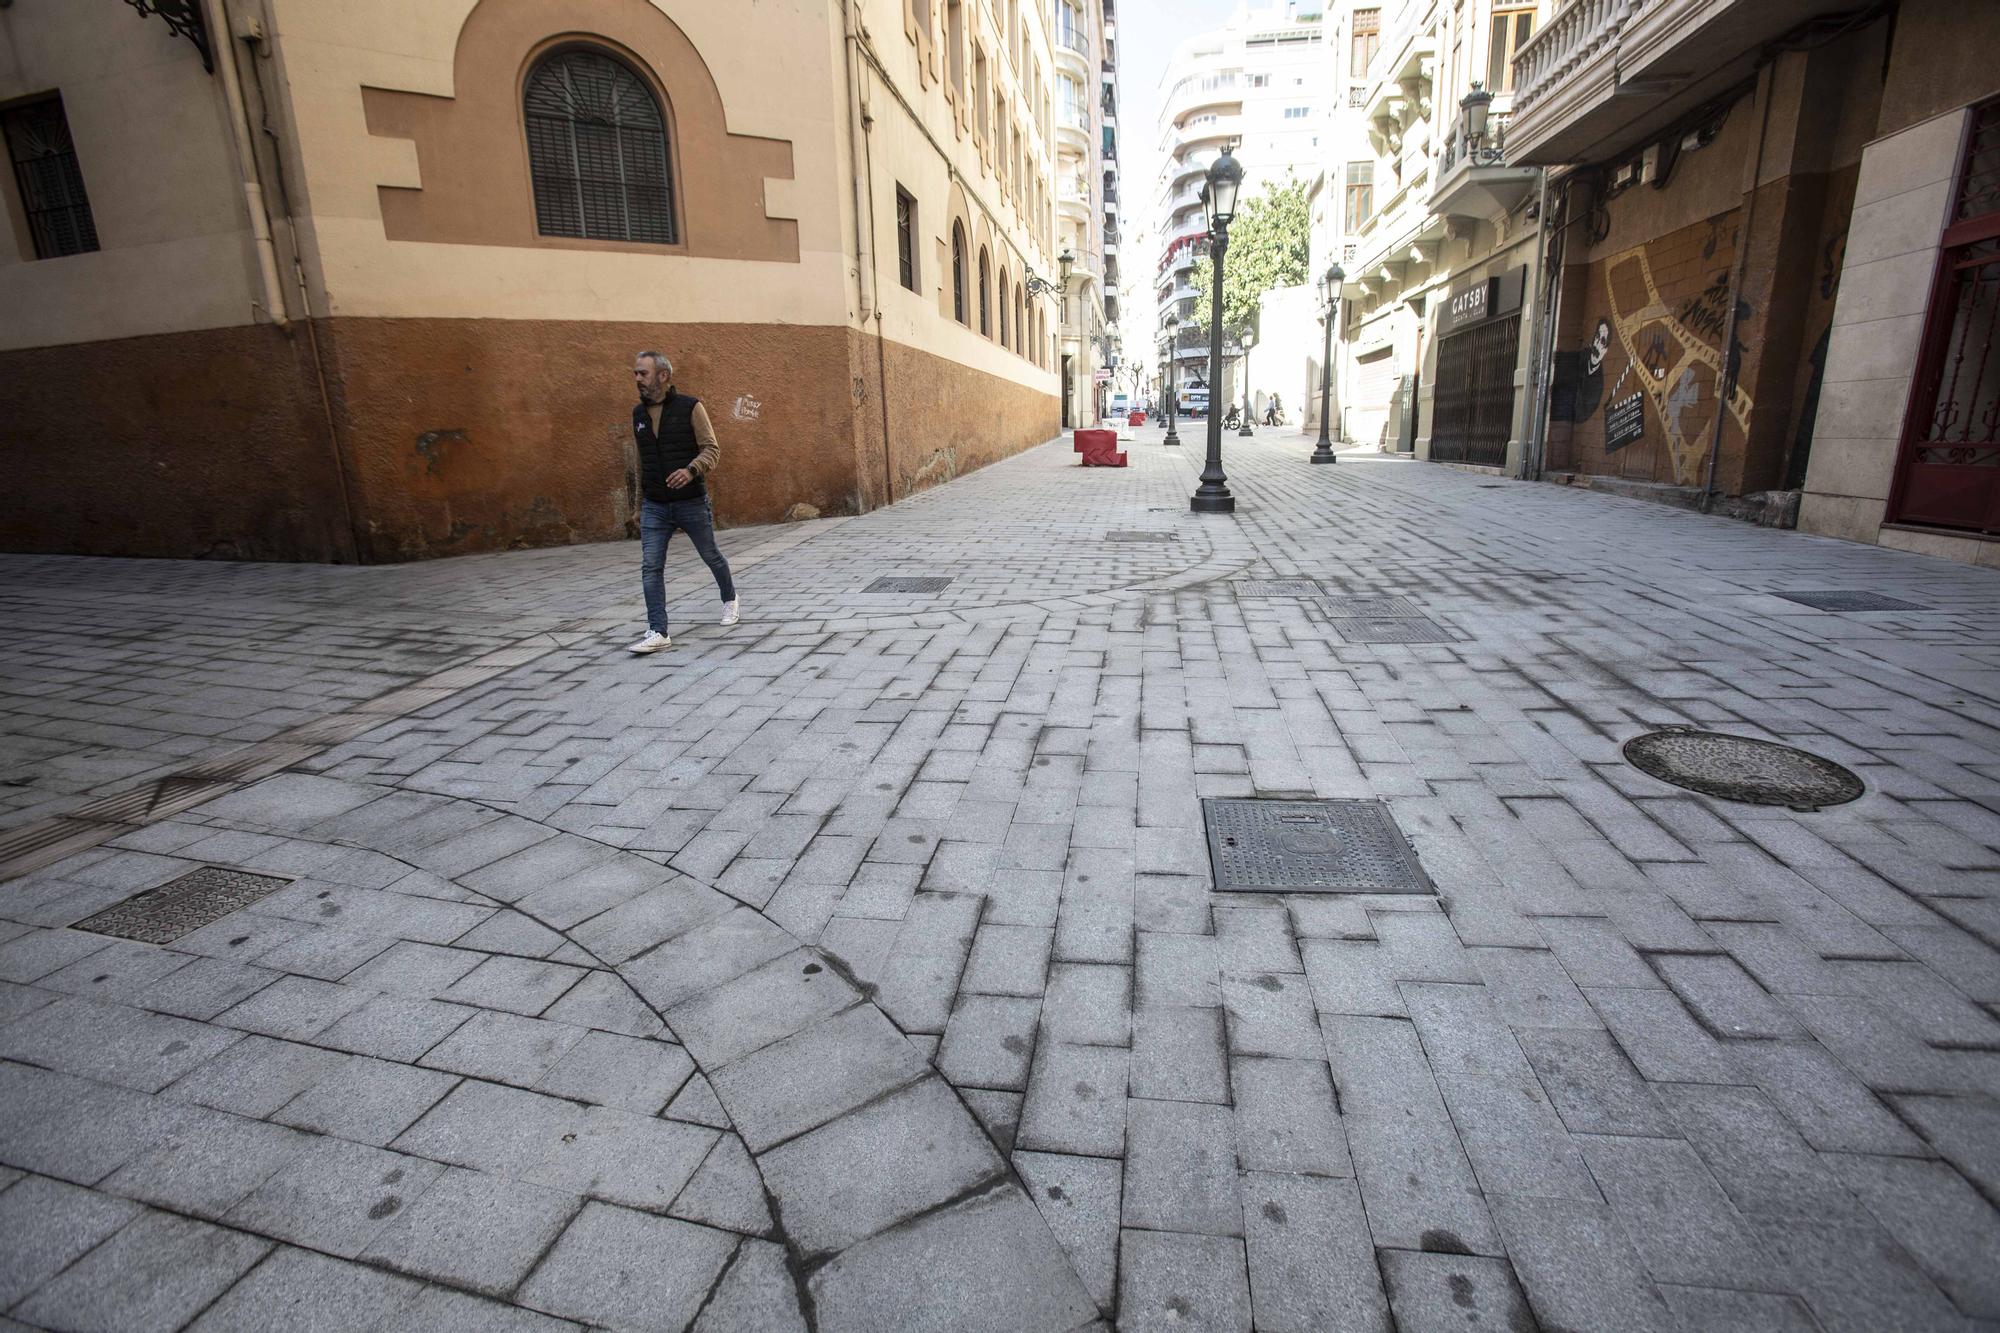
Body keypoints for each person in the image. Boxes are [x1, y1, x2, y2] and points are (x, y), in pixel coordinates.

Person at [627, 350, 738, 654]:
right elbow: (642, 463)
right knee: (651, 566)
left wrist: (691, 471)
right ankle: (658, 630)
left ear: (663, 376)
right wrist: (638, 505)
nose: (637, 378)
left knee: (710, 554)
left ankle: (730, 598)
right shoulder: (638, 414)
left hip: (690, 501)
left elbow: (711, 449)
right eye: (635, 373)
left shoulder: (691, 407)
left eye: (643, 373)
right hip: (655, 505)